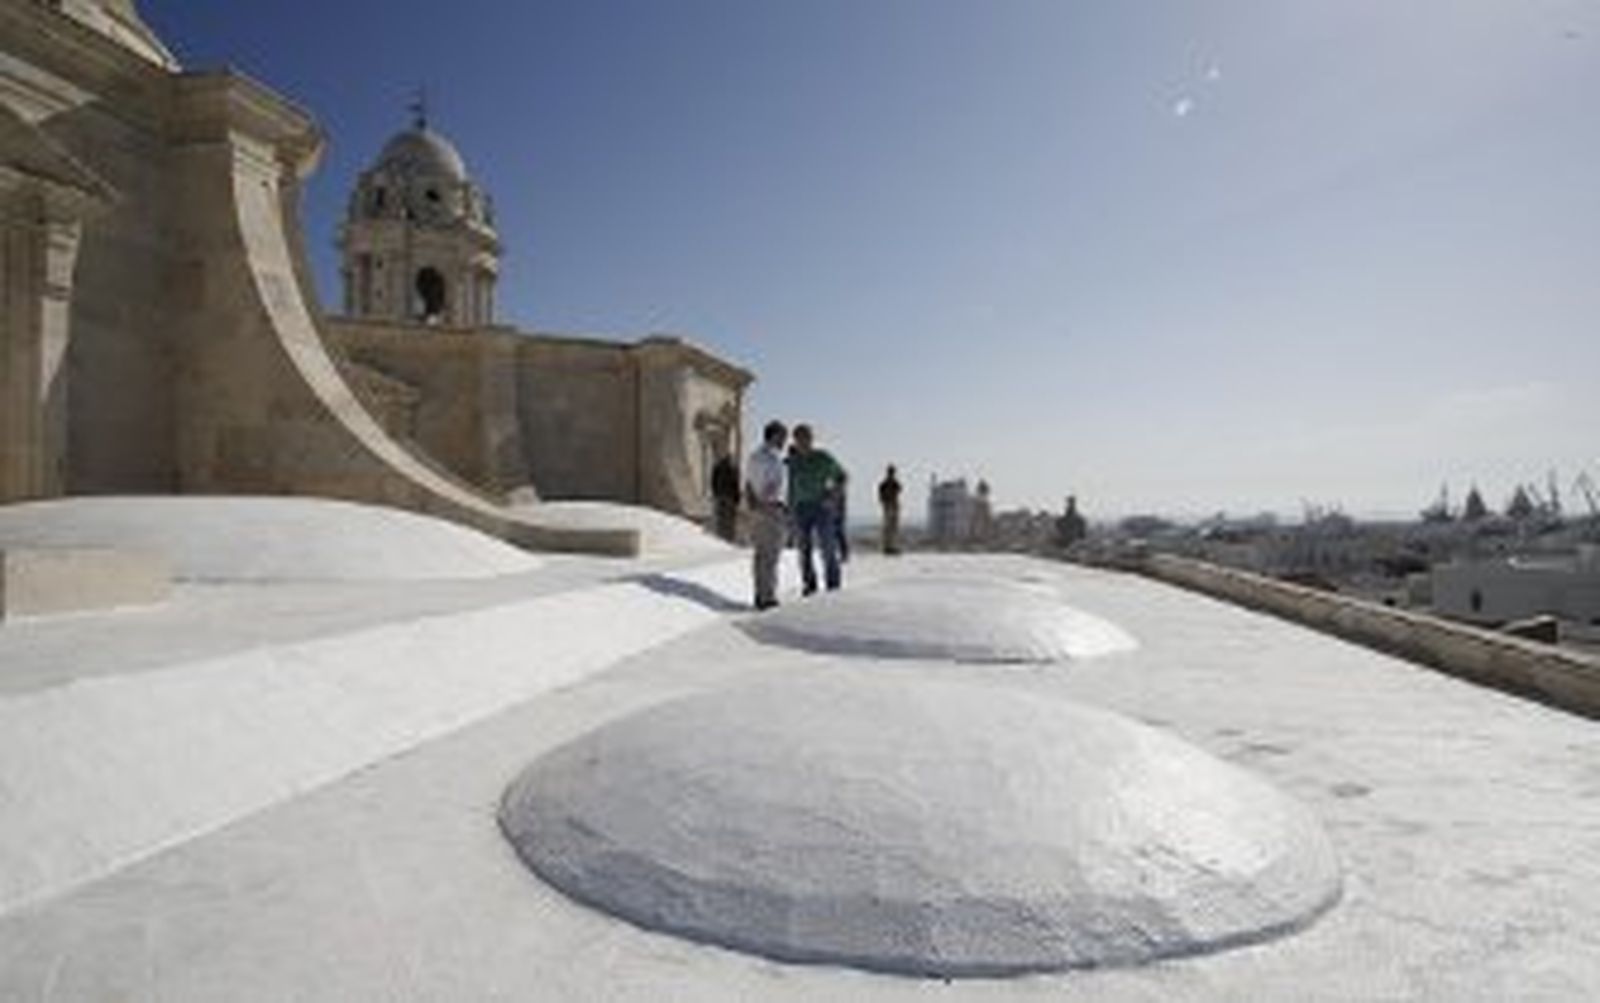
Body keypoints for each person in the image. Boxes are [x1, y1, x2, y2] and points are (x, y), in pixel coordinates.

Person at [786, 423, 847, 594]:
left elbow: (842, 476)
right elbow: (791, 487)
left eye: (805, 438)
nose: (802, 442)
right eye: (799, 439)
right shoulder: (794, 462)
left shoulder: (823, 458)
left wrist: (833, 496)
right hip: (801, 508)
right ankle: (809, 584)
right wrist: (790, 510)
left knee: (827, 547)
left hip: (822, 508)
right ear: (795, 441)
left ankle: (833, 585)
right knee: (804, 550)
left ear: (811, 439)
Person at [744, 421, 788, 610]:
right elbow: (773, 485)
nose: (785, 441)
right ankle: (767, 597)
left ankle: (760, 594)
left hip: (756, 508)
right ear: (775, 436)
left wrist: (755, 502)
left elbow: (748, 482)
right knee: (771, 555)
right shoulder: (772, 458)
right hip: (770, 507)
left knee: (761, 554)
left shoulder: (754, 456)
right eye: (783, 437)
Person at [710, 452, 740, 542]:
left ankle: (721, 536)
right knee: (729, 520)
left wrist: (715, 494)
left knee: (721, 518)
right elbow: (735, 485)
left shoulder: (717, 467)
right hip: (729, 498)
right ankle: (728, 537)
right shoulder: (733, 469)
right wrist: (737, 498)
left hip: (720, 496)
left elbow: (713, 482)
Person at [878, 464, 903, 555]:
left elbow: (899, 490)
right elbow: (899, 490)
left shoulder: (887, 483)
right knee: (890, 528)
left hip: (890, 505)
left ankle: (890, 546)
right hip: (890, 505)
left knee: (891, 528)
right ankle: (889, 547)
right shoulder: (886, 484)